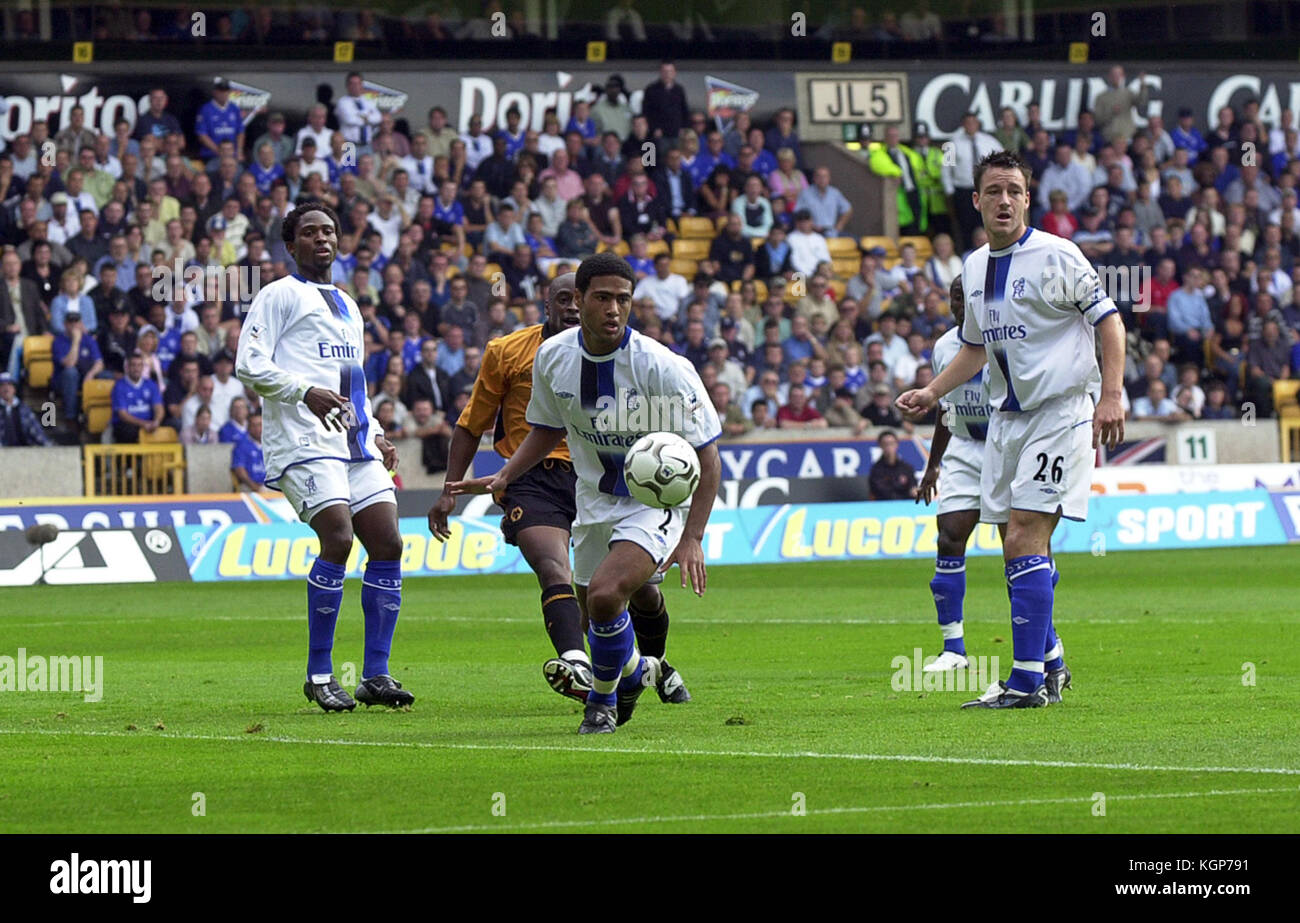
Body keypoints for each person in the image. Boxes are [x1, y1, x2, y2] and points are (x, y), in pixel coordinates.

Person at [447, 253, 722, 734]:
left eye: (623, 299)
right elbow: (544, 430)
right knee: (594, 606)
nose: (614, 309)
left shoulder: (662, 367)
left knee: (605, 594)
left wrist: (693, 536)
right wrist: (505, 475)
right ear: (578, 300)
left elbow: (709, 454)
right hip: (593, 498)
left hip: (655, 502)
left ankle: (601, 701)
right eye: (602, 298)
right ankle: (637, 672)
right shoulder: (553, 358)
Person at [898, 150, 1126, 709]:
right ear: (976, 200)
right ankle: (1051, 664)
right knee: (1015, 542)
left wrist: (1112, 395)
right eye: (994, 191)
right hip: (1007, 420)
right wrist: (933, 392)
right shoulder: (974, 268)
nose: (1005, 201)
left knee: (1024, 533)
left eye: (1015, 191)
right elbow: (974, 348)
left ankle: (1025, 683)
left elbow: (1110, 322)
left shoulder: (1059, 254)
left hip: (1062, 411)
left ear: (1028, 199)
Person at [235, 201, 411, 713]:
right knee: (337, 537)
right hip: (305, 443)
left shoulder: (349, 305)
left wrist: (374, 431)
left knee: (388, 541)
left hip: (353, 442)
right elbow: (248, 364)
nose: (322, 239)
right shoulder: (278, 295)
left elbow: (353, 383)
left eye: (329, 231)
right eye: (309, 232)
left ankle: (375, 675)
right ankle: (319, 673)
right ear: (291, 246)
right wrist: (303, 391)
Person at [914, 276, 993, 673]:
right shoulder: (944, 348)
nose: (960, 304)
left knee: (1020, 545)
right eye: (955, 298)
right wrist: (933, 466)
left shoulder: (1006, 338)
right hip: (963, 447)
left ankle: (1045, 643)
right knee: (949, 537)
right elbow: (946, 410)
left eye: (968, 296)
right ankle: (953, 649)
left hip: (1005, 445)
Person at [110, 350, 163, 444]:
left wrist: (157, 421)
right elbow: (123, 415)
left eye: (139, 365)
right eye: (133, 365)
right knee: (128, 431)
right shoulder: (119, 386)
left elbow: (158, 407)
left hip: (149, 423)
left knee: (169, 426)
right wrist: (144, 424)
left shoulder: (151, 384)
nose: (136, 368)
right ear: (127, 367)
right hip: (128, 425)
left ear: (143, 367)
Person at [0, 371, 49, 446]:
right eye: (2, 385)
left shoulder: (23, 409)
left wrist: (47, 445)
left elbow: (36, 431)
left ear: (14, 389)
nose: (6, 388)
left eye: (9, 385)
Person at [867, 429, 916, 499]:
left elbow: (913, 487)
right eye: (886, 444)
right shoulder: (876, 470)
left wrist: (914, 491)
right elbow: (881, 492)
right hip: (885, 505)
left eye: (892, 443)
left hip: (906, 505)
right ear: (880, 446)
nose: (889, 447)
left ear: (897, 444)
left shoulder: (907, 468)